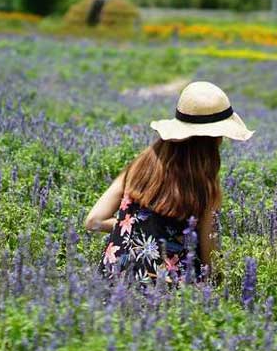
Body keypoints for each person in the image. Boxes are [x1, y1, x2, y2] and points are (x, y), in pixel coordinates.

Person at [84, 81, 253, 284]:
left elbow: (93, 221)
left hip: (111, 283)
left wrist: (140, 229)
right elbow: (211, 259)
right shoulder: (206, 188)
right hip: (168, 291)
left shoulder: (139, 166)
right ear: (215, 139)